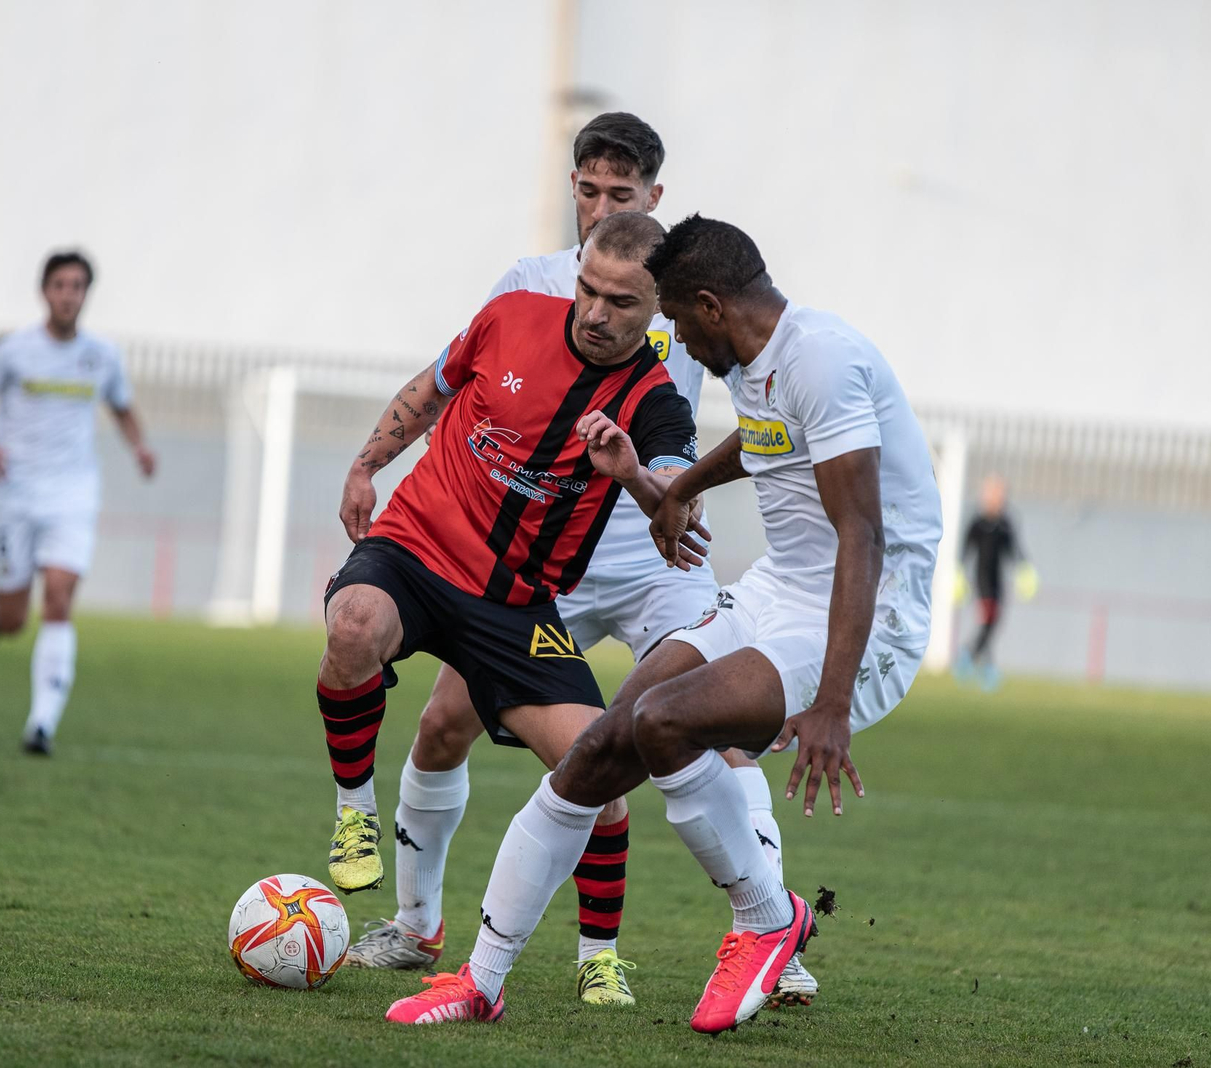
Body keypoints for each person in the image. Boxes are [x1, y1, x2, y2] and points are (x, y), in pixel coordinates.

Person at [387, 216, 942, 1032]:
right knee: (598, 749)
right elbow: (763, 444)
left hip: (865, 615)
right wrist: (680, 488)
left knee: (664, 721)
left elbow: (862, 532)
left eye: (675, 320)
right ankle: (482, 979)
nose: (670, 337)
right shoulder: (758, 359)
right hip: (777, 593)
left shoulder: (821, 360)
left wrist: (830, 704)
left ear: (710, 307)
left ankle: (765, 916)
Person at [343, 111, 803, 1009]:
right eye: (586, 191)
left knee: (712, 731)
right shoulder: (531, 284)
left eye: (619, 195)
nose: (598, 210)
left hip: (657, 554)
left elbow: (703, 434)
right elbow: (472, 382)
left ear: (654, 202)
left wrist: (669, 489)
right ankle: (414, 924)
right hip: (546, 564)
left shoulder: (687, 298)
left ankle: (765, 931)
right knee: (442, 727)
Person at [317, 213, 700, 1020]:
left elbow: (677, 503)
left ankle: (598, 957)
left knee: (600, 771)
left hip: (516, 602)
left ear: (656, 308)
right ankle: (356, 817)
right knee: (353, 626)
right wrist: (365, 465)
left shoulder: (654, 401)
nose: (594, 312)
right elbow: (430, 390)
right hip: (416, 548)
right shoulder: (513, 313)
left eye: (620, 303)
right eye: (588, 289)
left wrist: (629, 471)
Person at [0, 250, 156, 756]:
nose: (68, 294)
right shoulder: (15, 350)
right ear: (44, 291)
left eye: (77, 286)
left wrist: (140, 447)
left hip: (73, 495)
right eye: (60, 285)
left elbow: (123, 407)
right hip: (17, 494)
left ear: (86, 294)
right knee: (12, 621)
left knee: (60, 599)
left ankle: (41, 724)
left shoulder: (102, 355)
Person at [955, 474, 1030, 688]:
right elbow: (966, 549)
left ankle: (981, 662)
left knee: (992, 623)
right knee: (989, 621)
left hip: (998, 581)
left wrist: (1024, 568)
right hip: (983, 581)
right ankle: (970, 657)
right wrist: (959, 573)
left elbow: (1014, 549)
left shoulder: (1005, 523)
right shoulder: (978, 523)